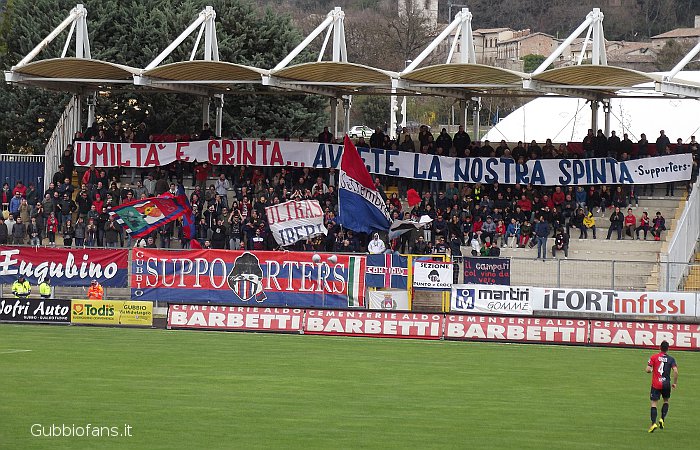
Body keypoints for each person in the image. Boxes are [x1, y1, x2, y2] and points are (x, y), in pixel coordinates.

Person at [646, 341, 678, 433]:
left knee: (654, 403)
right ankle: (662, 419)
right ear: (668, 348)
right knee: (666, 401)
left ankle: (653, 424)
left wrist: (651, 370)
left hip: (656, 384)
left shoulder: (654, 357)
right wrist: (675, 383)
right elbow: (675, 371)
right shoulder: (671, 359)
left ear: (659, 347)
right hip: (666, 384)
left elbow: (647, 370)